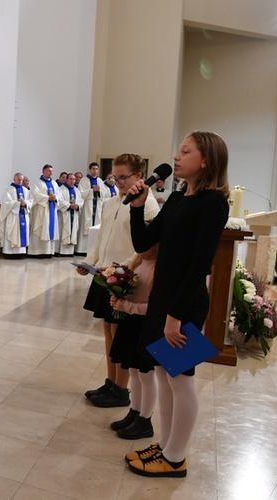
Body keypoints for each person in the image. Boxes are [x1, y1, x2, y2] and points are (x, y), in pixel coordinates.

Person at [125, 131, 229, 478]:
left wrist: (174, 317)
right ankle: (166, 444)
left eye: (186, 151)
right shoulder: (178, 198)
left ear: (206, 161)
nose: (178, 155)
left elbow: (200, 265)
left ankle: (175, 457)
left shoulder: (213, 203)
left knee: (182, 379)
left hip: (185, 303)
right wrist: (137, 209)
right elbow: (144, 243)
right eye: (179, 150)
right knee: (161, 373)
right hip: (163, 299)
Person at [78, 154, 159, 408]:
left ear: (139, 177)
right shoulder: (112, 202)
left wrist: (123, 270)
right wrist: (91, 261)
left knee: (119, 331)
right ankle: (111, 381)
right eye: (115, 177)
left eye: (124, 177)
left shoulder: (148, 205)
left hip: (126, 277)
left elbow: (145, 247)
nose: (119, 182)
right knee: (107, 329)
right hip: (105, 273)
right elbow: (102, 237)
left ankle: (121, 390)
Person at [108, 244, 158, 440]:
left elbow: (155, 307)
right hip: (132, 323)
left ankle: (145, 419)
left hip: (146, 325)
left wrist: (128, 306)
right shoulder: (139, 261)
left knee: (146, 374)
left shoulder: (159, 268)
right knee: (135, 372)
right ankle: (135, 411)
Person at [0, 172, 32, 258]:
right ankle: (9, 253)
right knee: (12, 232)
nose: (20, 181)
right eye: (18, 179)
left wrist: (26, 203)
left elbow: (31, 201)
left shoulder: (26, 190)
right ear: (14, 179)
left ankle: (20, 253)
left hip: (23, 214)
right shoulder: (9, 189)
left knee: (22, 232)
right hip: (13, 216)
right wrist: (18, 204)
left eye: (22, 180)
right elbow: (6, 202)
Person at [76, 162, 107, 256]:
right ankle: (82, 250)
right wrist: (91, 191)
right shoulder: (84, 180)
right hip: (87, 207)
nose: (95, 170)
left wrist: (99, 191)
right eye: (93, 169)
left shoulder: (100, 181)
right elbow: (80, 193)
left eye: (97, 169)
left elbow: (104, 194)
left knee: (96, 225)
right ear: (90, 170)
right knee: (86, 226)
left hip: (97, 207)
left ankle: (94, 250)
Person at [29, 164, 59, 258]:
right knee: (41, 228)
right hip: (41, 210)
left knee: (49, 228)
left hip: (51, 209)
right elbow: (34, 194)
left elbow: (59, 194)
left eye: (52, 171)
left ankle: (48, 251)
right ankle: (37, 252)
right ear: (43, 172)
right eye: (49, 171)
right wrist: (47, 198)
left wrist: (55, 197)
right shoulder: (38, 183)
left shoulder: (54, 183)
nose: (51, 173)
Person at [56, 173, 82, 257]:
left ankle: (70, 251)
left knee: (73, 230)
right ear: (66, 179)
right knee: (63, 231)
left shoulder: (77, 190)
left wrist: (78, 205)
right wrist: (69, 205)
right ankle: (60, 251)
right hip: (64, 214)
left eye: (74, 179)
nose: (72, 181)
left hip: (74, 214)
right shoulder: (61, 189)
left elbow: (81, 200)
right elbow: (59, 200)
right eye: (70, 179)